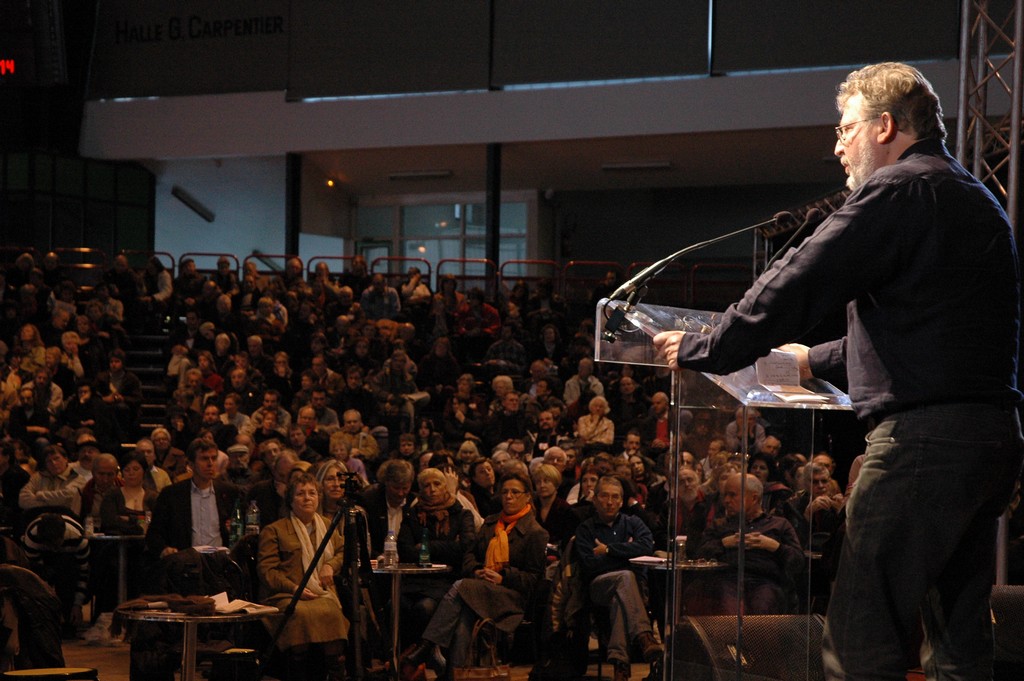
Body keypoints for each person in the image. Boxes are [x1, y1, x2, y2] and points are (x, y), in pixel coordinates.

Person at [654, 62, 1024, 681]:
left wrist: (710, 344)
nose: (836, 144)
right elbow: (934, 334)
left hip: (921, 448)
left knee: (858, 638)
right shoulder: (974, 196)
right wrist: (809, 359)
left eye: (844, 128)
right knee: (959, 648)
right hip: (987, 444)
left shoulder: (899, 188)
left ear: (883, 125)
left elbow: (804, 275)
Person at [401, 471, 547, 676]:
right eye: (505, 491)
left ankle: (427, 646)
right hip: (480, 589)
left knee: (461, 586)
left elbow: (533, 579)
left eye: (515, 492)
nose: (509, 496)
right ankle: (454, 675)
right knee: (463, 624)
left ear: (527, 496)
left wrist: (503, 576)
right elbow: (469, 556)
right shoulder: (490, 523)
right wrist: (477, 570)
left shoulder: (535, 532)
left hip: (509, 596)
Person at [258, 472, 348, 681]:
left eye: (312, 493)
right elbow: (267, 570)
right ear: (290, 500)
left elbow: (344, 552)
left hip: (321, 593)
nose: (307, 498)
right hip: (285, 593)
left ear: (319, 498)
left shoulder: (328, 526)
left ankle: (335, 673)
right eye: (301, 494)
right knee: (298, 612)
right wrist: (293, 588)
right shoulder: (275, 530)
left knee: (332, 611)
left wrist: (329, 565)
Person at [688, 473, 802, 616]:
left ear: (754, 498)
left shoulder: (779, 524)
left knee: (763, 604)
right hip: (727, 580)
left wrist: (774, 546)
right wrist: (723, 544)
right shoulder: (720, 526)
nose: (726, 501)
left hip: (764, 581)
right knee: (729, 608)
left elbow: (798, 561)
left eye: (732, 495)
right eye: (725, 496)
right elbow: (699, 554)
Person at [397, 467, 476, 643]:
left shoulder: (462, 515)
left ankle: (419, 657)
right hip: (414, 581)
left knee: (424, 608)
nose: (432, 489)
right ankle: (402, 660)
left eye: (437, 484)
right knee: (394, 606)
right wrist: (448, 547)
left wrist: (427, 546)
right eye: (426, 485)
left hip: (446, 581)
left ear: (445, 487)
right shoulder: (412, 515)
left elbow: (465, 549)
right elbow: (405, 551)